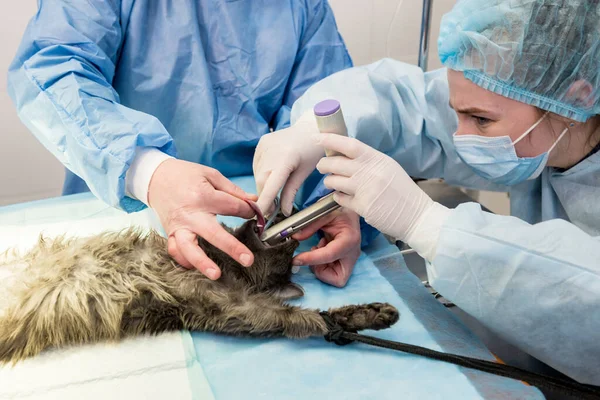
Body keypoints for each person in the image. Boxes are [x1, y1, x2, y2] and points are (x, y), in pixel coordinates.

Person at [253, 0, 600, 385]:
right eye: (459, 114)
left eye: (481, 121)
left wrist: (427, 223)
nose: (459, 136)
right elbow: (406, 105)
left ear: (578, 99)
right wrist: (309, 131)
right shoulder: (530, 102)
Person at [7, 0, 359, 283]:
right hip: (123, 201)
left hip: (252, 216)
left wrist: (330, 199)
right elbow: (54, 70)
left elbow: (317, 108)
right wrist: (149, 172)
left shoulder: (302, 7)